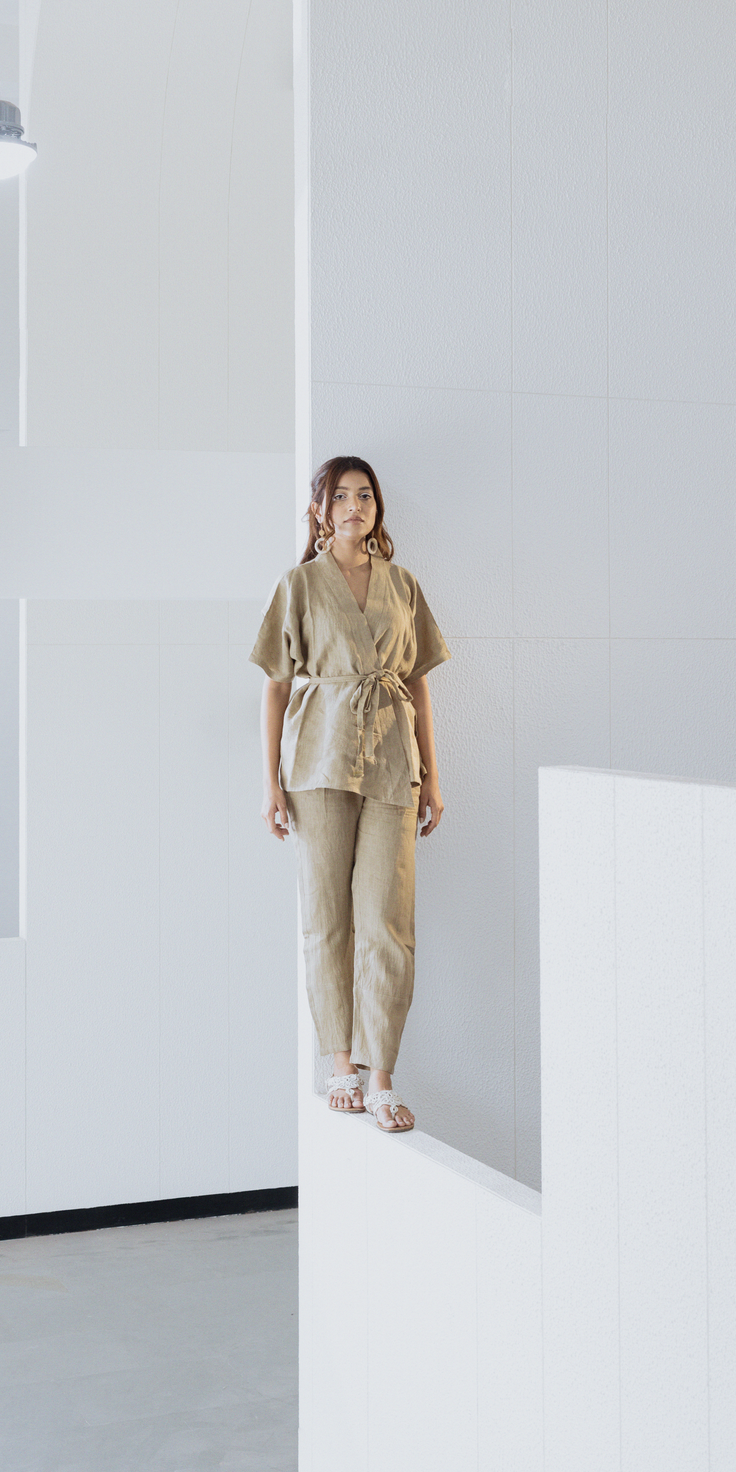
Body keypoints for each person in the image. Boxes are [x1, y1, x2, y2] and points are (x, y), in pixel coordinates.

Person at [251, 455, 449, 1133]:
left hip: (394, 759)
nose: (354, 506)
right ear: (319, 509)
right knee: (328, 919)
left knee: (386, 919)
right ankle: (340, 1063)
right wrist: (270, 783)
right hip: (316, 761)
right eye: (340, 495)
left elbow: (419, 680)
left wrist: (433, 773)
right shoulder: (299, 585)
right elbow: (275, 685)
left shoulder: (402, 585)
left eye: (365, 495)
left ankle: (381, 1074)